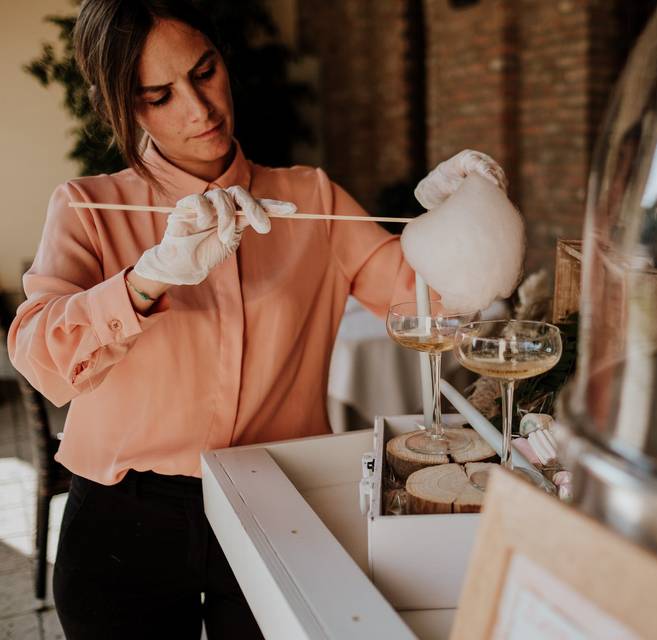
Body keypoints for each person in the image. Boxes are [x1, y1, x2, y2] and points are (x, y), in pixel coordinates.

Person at [6, 1, 508, 637]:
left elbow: (433, 304)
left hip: (281, 501)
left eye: (204, 72)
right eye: (159, 95)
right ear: (123, 107)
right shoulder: (88, 207)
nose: (200, 109)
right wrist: (147, 279)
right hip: (123, 520)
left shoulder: (311, 198)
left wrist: (462, 220)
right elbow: (36, 354)